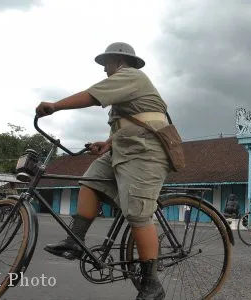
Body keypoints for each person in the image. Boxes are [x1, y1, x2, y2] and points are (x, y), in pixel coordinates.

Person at [35, 42, 175, 300]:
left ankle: (152, 283)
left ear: (117, 62)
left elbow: (92, 95)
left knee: (137, 213)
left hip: (147, 153)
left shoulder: (131, 76)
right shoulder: (124, 93)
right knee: (90, 179)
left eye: (105, 65)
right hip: (123, 149)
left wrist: (55, 106)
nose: (104, 71)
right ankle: (75, 241)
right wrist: (106, 143)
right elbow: (128, 125)